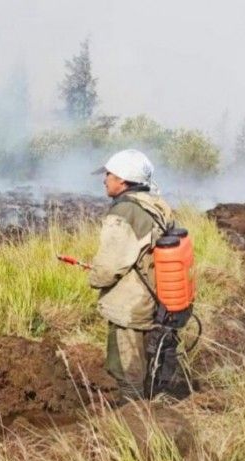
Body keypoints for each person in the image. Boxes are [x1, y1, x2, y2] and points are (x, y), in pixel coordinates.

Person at [88, 149, 173, 403]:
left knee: (126, 372)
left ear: (123, 180)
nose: (104, 179)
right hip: (155, 301)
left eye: (109, 175)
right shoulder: (157, 205)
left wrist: (94, 278)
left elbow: (109, 266)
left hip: (130, 306)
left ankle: (133, 426)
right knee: (145, 364)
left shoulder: (125, 212)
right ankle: (147, 409)